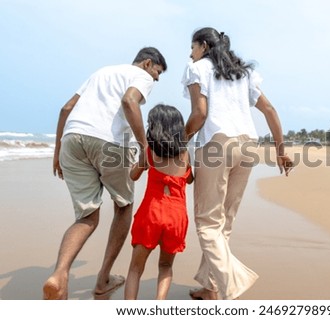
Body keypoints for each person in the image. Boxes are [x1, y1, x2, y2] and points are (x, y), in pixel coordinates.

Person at [43, 47, 167, 300]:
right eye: (157, 72)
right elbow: (129, 101)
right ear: (146, 63)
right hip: (109, 144)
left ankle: (59, 274)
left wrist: (57, 151)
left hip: (72, 140)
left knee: (87, 217)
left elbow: (66, 109)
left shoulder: (102, 72)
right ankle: (103, 279)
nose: (156, 79)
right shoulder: (140, 75)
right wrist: (144, 147)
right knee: (123, 206)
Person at [181, 27, 293, 300]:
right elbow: (269, 110)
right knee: (224, 222)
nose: (190, 53)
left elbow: (200, 113)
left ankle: (233, 283)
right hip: (248, 146)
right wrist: (280, 151)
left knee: (207, 223)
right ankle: (211, 287)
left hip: (218, 144)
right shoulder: (244, 73)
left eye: (193, 47)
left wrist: (180, 141)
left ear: (204, 46)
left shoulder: (197, 68)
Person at [124, 104, 193, 300]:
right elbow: (189, 179)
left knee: (135, 269)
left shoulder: (150, 152)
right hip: (176, 216)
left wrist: (141, 165)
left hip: (151, 213)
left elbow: (133, 175)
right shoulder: (185, 154)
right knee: (165, 266)